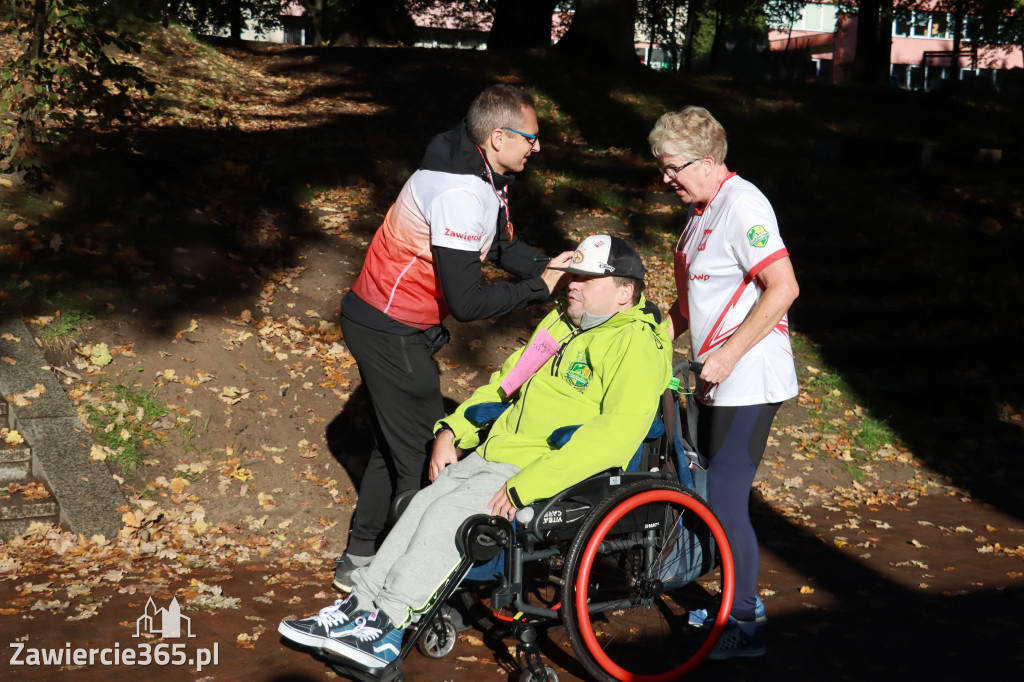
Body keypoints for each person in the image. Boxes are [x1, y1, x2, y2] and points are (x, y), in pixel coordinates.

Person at [280, 235, 673, 670]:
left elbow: (614, 436)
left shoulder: (636, 344)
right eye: (572, 275)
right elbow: (506, 384)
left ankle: (387, 628)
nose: (571, 285)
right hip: (497, 455)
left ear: (624, 293)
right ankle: (358, 610)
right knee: (424, 503)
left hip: (545, 469)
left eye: (586, 278)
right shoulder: (561, 325)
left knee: (449, 517)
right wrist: (453, 430)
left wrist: (529, 485)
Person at [334, 84, 574, 590]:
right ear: (499, 136)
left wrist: (556, 267)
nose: (538, 147)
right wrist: (537, 289)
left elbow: (504, 248)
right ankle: (408, 584)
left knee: (390, 443)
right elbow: (467, 303)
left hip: (389, 321)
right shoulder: (461, 191)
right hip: (389, 327)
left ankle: (359, 557)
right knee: (428, 457)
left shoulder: (481, 170)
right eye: (531, 138)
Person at [648, 106, 800, 660]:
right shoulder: (700, 211)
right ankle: (737, 601)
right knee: (715, 498)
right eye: (661, 166)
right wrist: (648, 342)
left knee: (728, 501)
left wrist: (731, 354)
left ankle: (744, 624)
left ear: (709, 161)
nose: (665, 177)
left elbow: (783, 288)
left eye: (672, 166)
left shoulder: (745, 204)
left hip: (751, 377)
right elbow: (689, 307)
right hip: (714, 378)